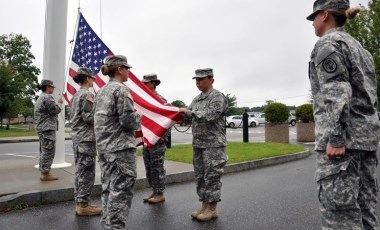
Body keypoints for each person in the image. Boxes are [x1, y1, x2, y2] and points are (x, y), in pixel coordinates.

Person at [307, 0, 379, 229]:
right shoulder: (360, 47)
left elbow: (337, 92)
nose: (312, 23)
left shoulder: (328, 44)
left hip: (343, 147)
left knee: (340, 217)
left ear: (325, 15)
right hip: (365, 143)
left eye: (314, 17)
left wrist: (336, 138)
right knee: (367, 211)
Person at [93, 55, 141, 229]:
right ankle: (115, 227)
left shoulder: (100, 92)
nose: (129, 72)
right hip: (120, 150)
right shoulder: (121, 91)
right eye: (127, 68)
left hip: (105, 149)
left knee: (108, 189)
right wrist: (139, 116)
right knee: (120, 192)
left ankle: (108, 225)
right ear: (120, 69)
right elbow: (128, 121)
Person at [179, 68, 228, 221]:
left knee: (212, 176)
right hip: (199, 144)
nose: (198, 82)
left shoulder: (217, 97)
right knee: (200, 176)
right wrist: (176, 111)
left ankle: (212, 208)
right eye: (196, 79)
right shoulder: (196, 99)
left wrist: (188, 112)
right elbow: (190, 116)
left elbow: (210, 116)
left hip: (214, 145)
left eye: (201, 79)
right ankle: (204, 205)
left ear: (211, 79)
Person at [69, 67, 102, 216]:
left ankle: (80, 202)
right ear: (87, 79)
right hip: (86, 138)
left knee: (80, 171)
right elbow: (88, 117)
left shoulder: (76, 95)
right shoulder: (88, 94)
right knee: (87, 172)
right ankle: (83, 205)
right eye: (92, 78)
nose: (94, 80)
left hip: (78, 138)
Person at [141, 74, 169, 204]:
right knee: (149, 166)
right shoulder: (145, 99)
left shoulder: (159, 99)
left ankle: (159, 193)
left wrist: (162, 137)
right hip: (147, 139)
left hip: (158, 140)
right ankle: (154, 190)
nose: (143, 85)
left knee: (157, 167)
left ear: (153, 83)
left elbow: (167, 119)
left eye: (145, 83)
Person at [34, 79, 63, 181]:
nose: (53, 88)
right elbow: (54, 111)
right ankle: (45, 173)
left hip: (42, 128)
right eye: (52, 87)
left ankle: (44, 171)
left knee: (44, 150)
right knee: (48, 151)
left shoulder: (41, 97)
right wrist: (59, 103)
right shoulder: (47, 97)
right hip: (47, 128)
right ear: (47, 87)